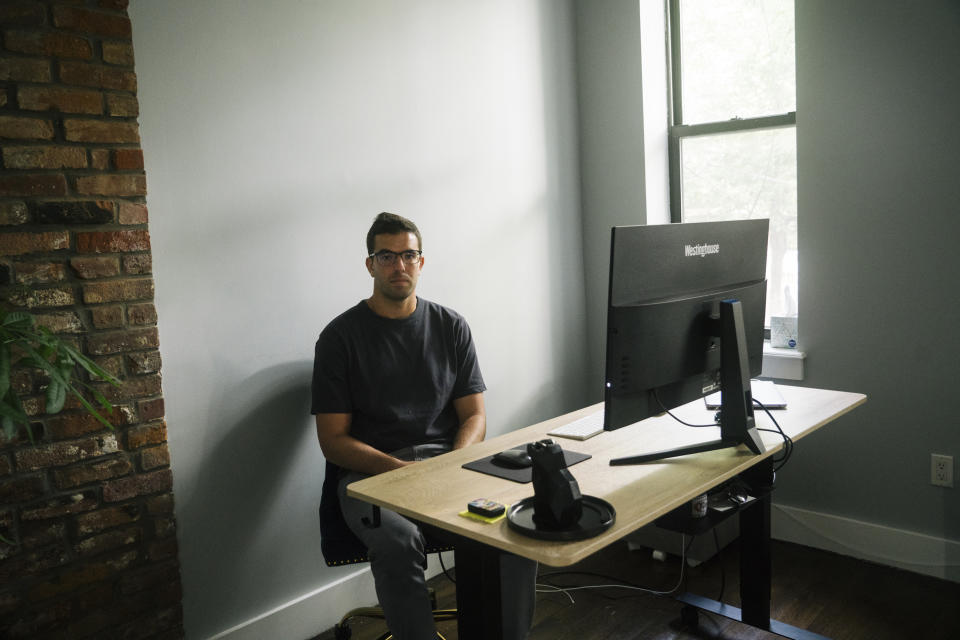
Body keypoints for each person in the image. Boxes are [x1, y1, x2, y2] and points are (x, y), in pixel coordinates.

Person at [312, 212, 537, 640]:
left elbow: (474, 416)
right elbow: (334, 442)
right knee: (398, 544)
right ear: (370, 264)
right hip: (371, 477)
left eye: (408, 255)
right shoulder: (339, 338)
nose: (399, 265)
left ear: (421, 261)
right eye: (387, 256)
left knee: (515, 528)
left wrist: (453, 464)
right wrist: (404, 475)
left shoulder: (451, 326)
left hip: (447, 466)